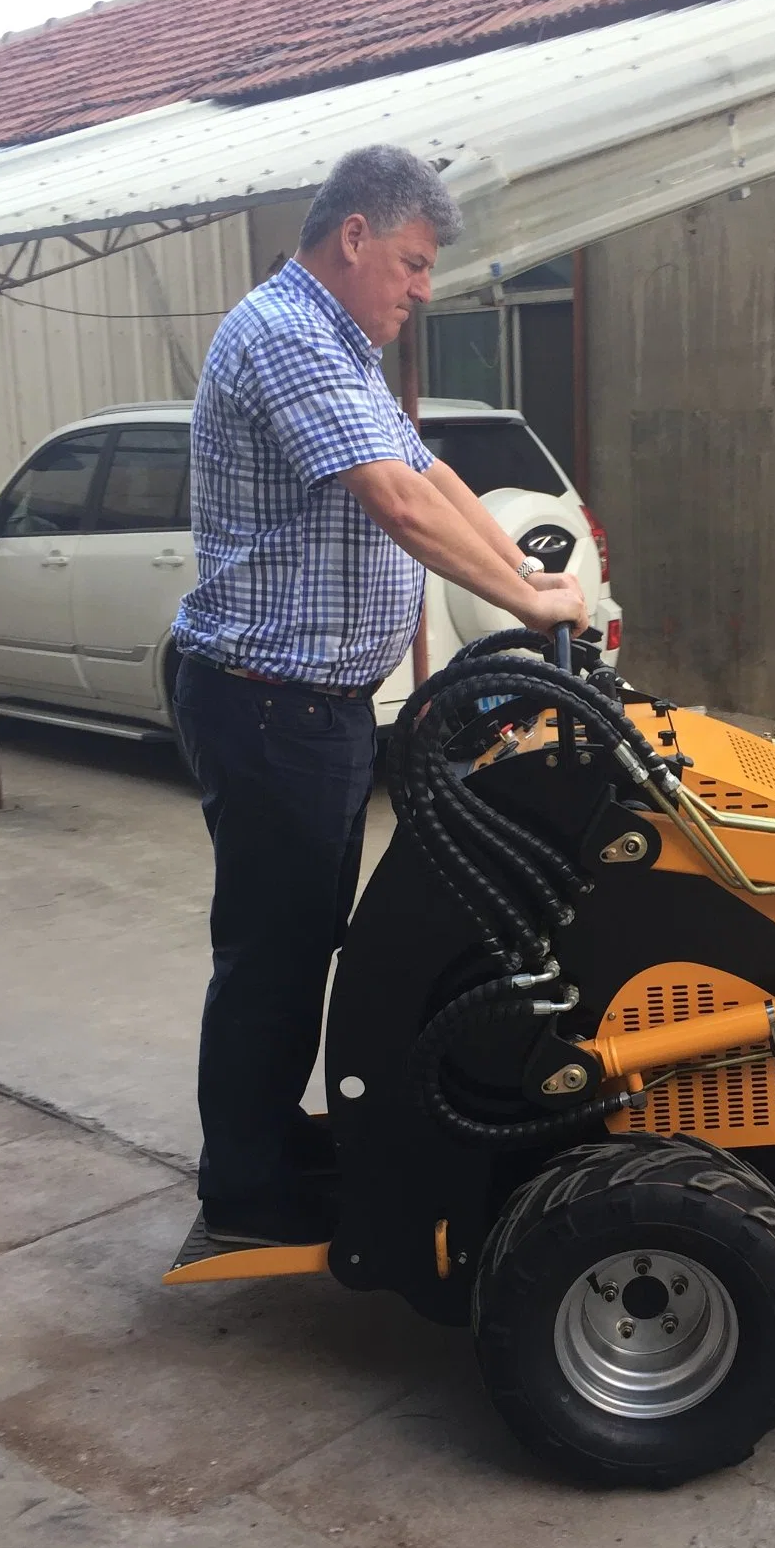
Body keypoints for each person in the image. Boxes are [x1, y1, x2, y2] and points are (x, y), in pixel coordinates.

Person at [172, 144, 586, 1248]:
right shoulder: (286, 333)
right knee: (276, 944)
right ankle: (243, 1186)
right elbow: (397, 505)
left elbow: (435, 474)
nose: (420, 287)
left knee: (305, 933)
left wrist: (530, 579)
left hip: (320, 703)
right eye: (409, 262)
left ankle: (265, 1134)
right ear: (353, 236)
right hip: (268, 700)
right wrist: (529, 608)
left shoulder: (343, 344)